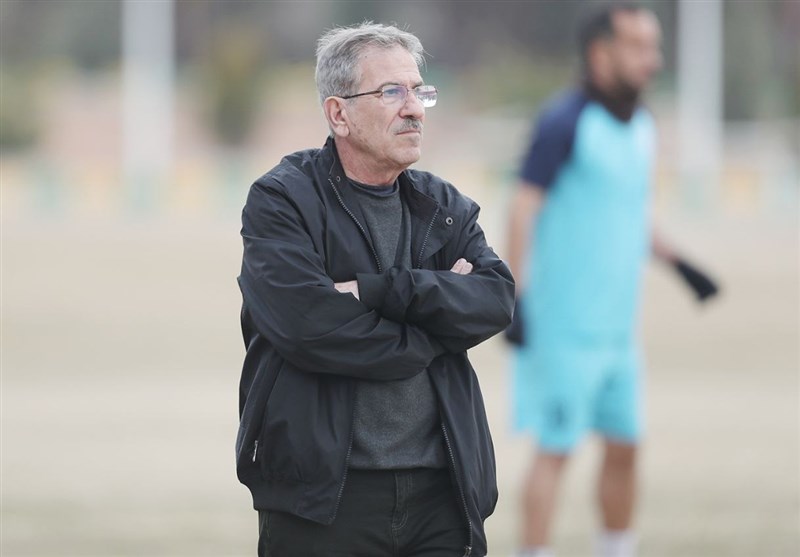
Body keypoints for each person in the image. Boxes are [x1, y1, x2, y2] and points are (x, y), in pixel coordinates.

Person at [235, 22, 514, 557]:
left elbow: (494, 300)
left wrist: (375, 291)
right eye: (392, 92)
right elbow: (308, 326)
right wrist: (433, 335)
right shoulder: (282, 200)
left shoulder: (443, 207)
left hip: (444, 494)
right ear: (338, 114)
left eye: (419, 91)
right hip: (322, 499)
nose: (414, 109)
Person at [506, 4, 717, 557]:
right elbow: (523, 207)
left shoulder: (643, 126)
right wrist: (516, 298)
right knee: (555, 450)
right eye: (640, 46)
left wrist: (681, 264)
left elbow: (629, 213)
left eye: (655, 46)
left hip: (619, 332)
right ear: (601, 53)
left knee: (625, 447)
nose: (655, 59)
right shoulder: (564, 122)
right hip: (563, 329)